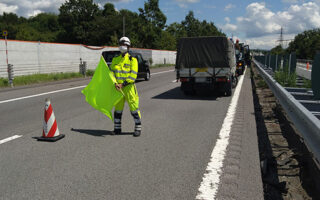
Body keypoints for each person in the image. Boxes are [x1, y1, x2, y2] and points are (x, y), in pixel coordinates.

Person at [110, 37, 142, 137]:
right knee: (118, 110)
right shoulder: (115, 59)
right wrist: (115, 83)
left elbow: (133, 76)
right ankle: (117, 129)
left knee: (134, 109)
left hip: (129, 88)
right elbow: (111, 73)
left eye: (124, 45)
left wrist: (122, 84)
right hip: (118, 89)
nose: (122, 46)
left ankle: (138, 128)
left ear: (128, 47)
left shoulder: (133, 60)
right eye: (120, 44)